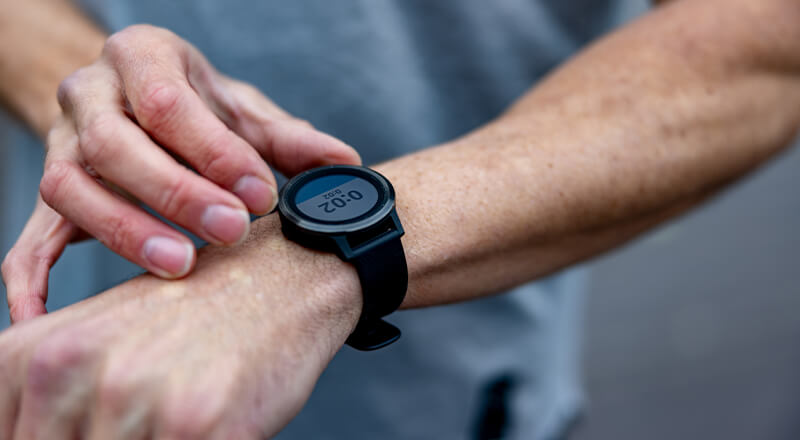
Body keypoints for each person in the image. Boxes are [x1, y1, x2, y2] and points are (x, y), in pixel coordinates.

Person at [0, 0, 798, 438]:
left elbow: (769, 42)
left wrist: (303, 270)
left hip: (448, 400)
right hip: (60, 371)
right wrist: (89, 91)